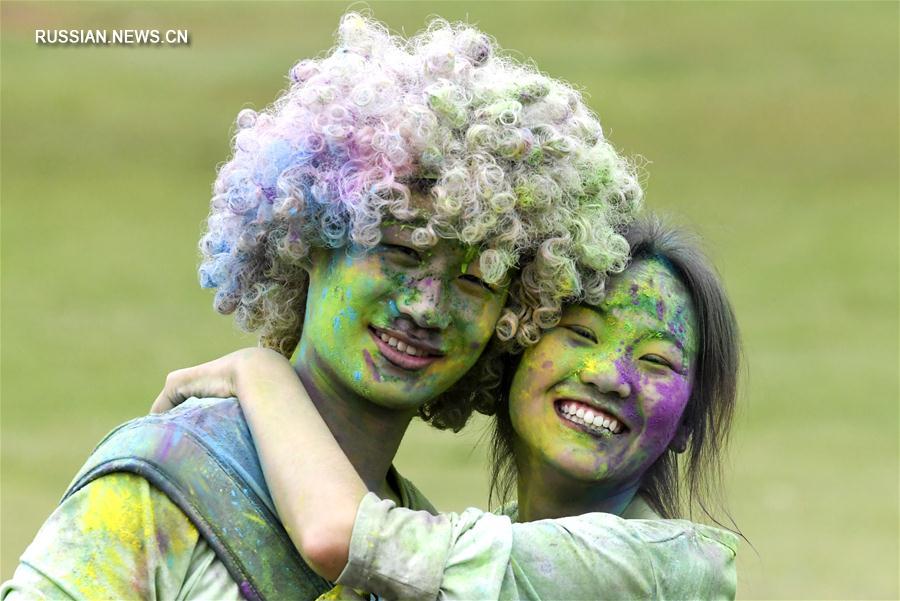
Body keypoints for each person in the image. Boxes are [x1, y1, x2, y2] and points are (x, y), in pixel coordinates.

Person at [1, 13, 642, 601]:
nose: (426, 306)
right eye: (399, 250)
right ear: (310, 239)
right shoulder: (167, 477)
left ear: (514, 317)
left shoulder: (415, 546)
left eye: (477, 281)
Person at [153, 216, 741, 600]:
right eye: (581, 335)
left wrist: (259, 372)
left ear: (689, 420)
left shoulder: (668, 568)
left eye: (658, 362)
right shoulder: (482, 540)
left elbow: (342, 536)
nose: (609, 377)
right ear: (514, 344)